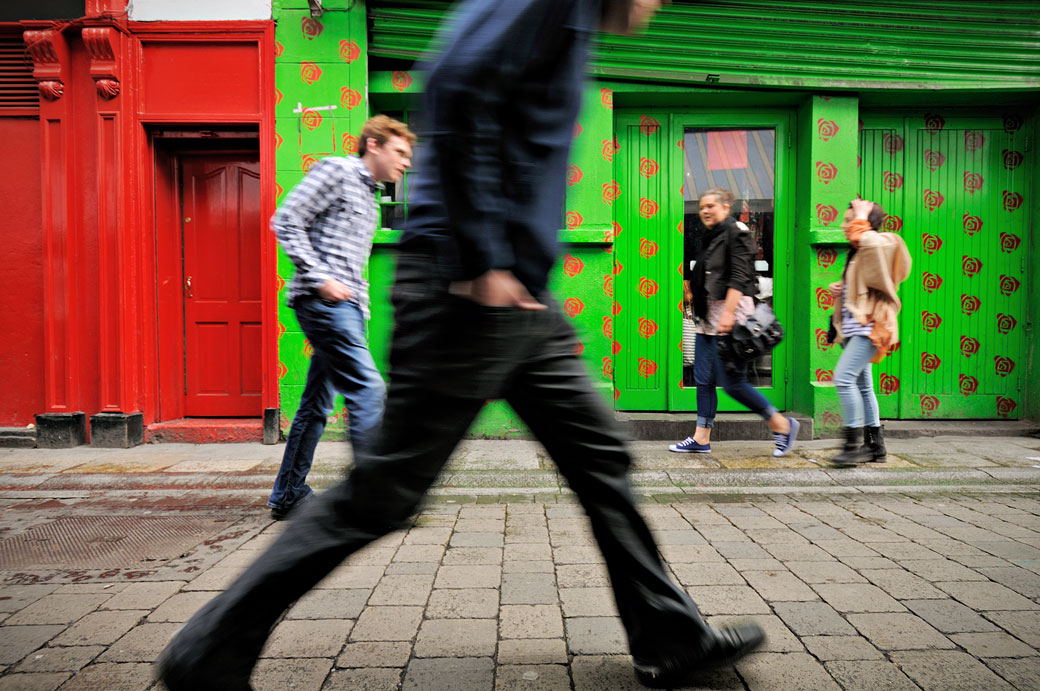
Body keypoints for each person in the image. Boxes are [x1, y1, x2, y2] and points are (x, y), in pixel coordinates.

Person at [157, 2, 765, 690]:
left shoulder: (569, 21)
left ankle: (668, 636)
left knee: (600, 457)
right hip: (471, 296)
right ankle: (209, 647)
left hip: (518, 300)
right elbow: (457, 81)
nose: (658, 4)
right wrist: (481, 259)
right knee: (382, 494)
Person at [267, 115, 415, 520]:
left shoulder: (370, 195)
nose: (406, 163)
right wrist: (321, 279)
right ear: (374, 145)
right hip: (324, 303)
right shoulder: (338, 170)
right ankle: (375, 499)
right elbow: (285, 220)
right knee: (368, 390)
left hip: (347, 309)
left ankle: (288, 494)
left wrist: (359, 306)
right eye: (400, 152)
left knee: (316, 404)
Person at [669, 187, 800, 456]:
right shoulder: (711, 235)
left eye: (711, 206)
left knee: (733, 383)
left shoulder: (737, 232)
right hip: (708, 321)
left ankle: (783, 424)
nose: (704, 211)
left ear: (725, 208)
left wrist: (728, 314)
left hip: (732, 322)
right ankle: (701, 438)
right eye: (702, 206)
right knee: (703, 379)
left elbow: (740, 277)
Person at [827, 198, 911, 466]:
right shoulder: (860, 250)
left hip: (871, 328)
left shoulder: (885, 241)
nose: (844, 224)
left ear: (865, 222)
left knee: (843, 378)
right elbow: (868, 279)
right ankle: (876, 448)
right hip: (855, 329)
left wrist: (861, 215)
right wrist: (843, 287)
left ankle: (852, 447)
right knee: (864, 387)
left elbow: (876, 256)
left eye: (848, 219)